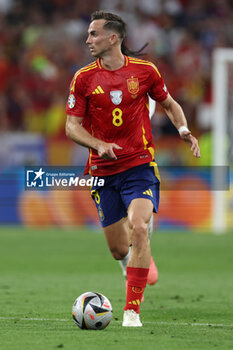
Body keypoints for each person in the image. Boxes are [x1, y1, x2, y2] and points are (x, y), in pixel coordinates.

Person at [66, 10, 200, 327]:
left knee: (139, 227)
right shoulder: (83, 78)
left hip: (139, 164)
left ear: (113, 38)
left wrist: (182, 130)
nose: (87, 40)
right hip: (101, 171)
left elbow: (168, 103)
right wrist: (97, 144)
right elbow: (71, 127)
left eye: (93, 34)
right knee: (117, 248)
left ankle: (131, 312)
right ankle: (133, 258)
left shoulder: (144, 72)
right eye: (87, 34)